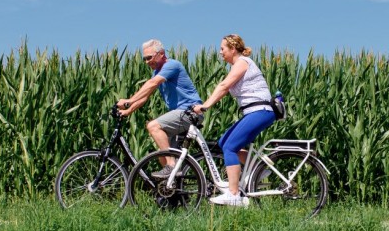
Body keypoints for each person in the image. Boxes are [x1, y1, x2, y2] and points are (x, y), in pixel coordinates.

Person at [193, 34, 276, 206]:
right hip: (255, 111)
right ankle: (259, 169)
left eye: (222, 48)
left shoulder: (242, 63)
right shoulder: (238, 65)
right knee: (224, 143)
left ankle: (234, 194)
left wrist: (205, 106)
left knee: (230, 147)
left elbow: (224, 86)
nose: (220, 52)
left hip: (260, 110)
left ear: (232, 49)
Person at [117, 39, 202, 177]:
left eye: (149, 57)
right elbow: (145, 97)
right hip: (180, 113)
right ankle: (173, 184)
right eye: (144, 59)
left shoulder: (172, 65)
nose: (146, 62)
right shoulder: (157, 72)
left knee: (153, 126)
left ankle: (171, 167)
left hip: (189, 111)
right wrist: (128, 111)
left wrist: (129, 100)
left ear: (161, 54)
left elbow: (152, 83)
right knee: (162, 151)